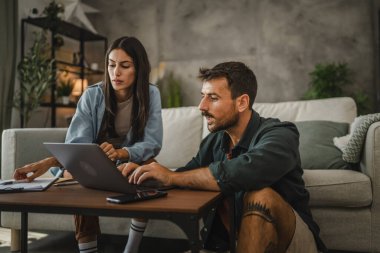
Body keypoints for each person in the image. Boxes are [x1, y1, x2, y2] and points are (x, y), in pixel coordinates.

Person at [119, 61, 328, 253]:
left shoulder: (280, 134)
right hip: (225, 245)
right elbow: (185, 176)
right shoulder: (215, 141)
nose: (202, 106)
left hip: (290, 244)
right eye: (203, 96)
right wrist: (148, 171)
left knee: (260, 196)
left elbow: (246, 170)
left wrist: (173, 177)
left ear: (242, 102)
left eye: (213, 98)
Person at [13, 36, 163, 253]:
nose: (116, 73)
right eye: (111, 65)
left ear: (139, 68)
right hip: (93, 160)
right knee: (81, 178)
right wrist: (52, 162)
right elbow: (78, 145)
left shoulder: (151, 94)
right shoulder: (92, 95)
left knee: (149, 168)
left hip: (129, 159)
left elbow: (152, 142)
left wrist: (122, 153)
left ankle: (131, 249)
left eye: (124, 66)